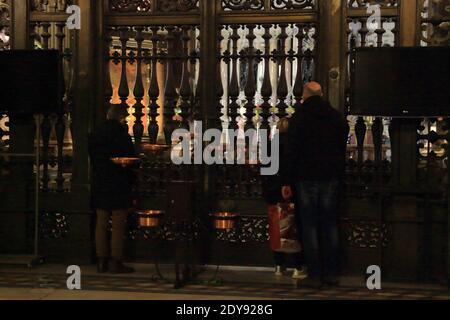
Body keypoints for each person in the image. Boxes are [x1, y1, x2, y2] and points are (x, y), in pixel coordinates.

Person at [281, 82, 349, 289]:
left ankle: (315, 273)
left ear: (304, 95)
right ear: (322, 94)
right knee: (329, 224)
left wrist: (286, 180)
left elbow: (291, 151)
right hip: (330, 176)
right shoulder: (336, 117)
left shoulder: (300, 118)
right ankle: (332, 273)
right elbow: (341, 146)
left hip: (306, 176)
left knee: (309, 226)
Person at [88, 105, 137, 274]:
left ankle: (101, 261)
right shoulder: (122, 135)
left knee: (100, 223)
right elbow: (130, 159)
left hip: (100, 182)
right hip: (118, 183)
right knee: (118, 223)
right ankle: (116, 261)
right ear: (121, 118)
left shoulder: (96, 134)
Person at [262, 118, 307, 280]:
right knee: (292, 229)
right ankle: (297, 266)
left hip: (273, 193)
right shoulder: (294, 147)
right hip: (290, 192)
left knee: (277, 229)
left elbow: (265, 170)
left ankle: (279, 265)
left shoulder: (270, 146)